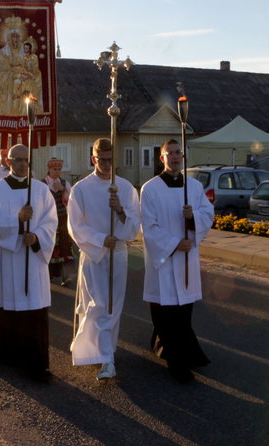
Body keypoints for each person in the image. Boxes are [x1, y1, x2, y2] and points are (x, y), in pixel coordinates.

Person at [0, 144, 58, 381]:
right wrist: (17, 220)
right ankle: (5, 354)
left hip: (31, 260)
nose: (23, 164)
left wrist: (36, 236)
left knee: (31, 306)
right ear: (8, 162)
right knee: (5, 302)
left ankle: (34, 362)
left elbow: (50, 222)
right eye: (18, 160)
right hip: (5, 258)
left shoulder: (41, 190)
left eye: (26, 160)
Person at [140, 139, 214, 383]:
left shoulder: (193, 187)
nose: (174, 156)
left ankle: (175, 349)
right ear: (161, 158)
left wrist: (193, 219)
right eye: (169, 153)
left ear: (183, 156)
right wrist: (174, 243)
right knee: (165, 311)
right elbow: (149, 227)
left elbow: (208, 213)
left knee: (183, 312)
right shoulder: (150, 189)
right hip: (164, 260)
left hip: (187, 258)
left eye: (177, 152)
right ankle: (177, 363)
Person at [67, 138, 141, 380]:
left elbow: (133, 226)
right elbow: (75, 226)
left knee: (112, 307)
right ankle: (91, 349)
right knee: (95, 305)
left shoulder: (126, 188)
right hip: (93, 255)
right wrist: (100, 239)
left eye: (111, 160)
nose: (107, 165)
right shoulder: (80, 189)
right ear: (94, 159)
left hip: (117, 254)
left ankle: (107, 357)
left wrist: (119, 210)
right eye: (103, 160)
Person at [43, 158, 74, 286]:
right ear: (49, 169)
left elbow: (71, 200)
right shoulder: (42, 184)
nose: (57, 172)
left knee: (65, 246)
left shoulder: (64, 183)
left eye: (59, 169)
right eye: (55, 169)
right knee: (49, 245)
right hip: (48, 219)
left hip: (62, 218)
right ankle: (47, 275)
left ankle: (65, 276)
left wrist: (63, 190)